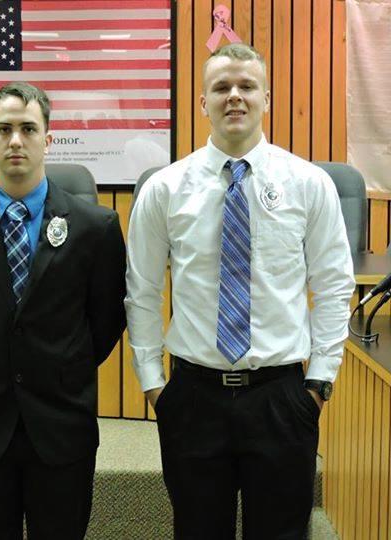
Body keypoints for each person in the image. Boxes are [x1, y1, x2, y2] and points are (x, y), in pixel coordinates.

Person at [125, 43, 355, 539]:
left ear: (266, 98)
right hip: (192, 397)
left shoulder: (308, 184)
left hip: (282, 398)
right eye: (221, 87)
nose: (235, 96)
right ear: (201, 102)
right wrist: (152, 384)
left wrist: (319, 382)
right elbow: (141, 291)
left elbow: (334, 286)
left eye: (247, 86)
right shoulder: (165, 189)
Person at [0, 81, 126, 540]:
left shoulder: (96, 226)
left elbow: (106, 321)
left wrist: (58, 365)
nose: (16, 140)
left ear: (47, 139)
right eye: (5, 129)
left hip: (62, 422)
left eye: (28, 129)